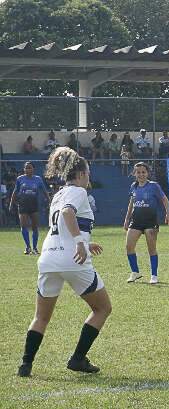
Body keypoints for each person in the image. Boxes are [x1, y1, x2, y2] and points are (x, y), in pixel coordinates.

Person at [17, 147, 112, 377]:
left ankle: (25, 365)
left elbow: (60, 226)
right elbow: (68, 215)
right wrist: (80, 243)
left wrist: (84, 242)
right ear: (80, 174)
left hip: (49, 257)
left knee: (41, 317)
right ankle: (78, 358)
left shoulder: (59, 193)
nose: (88, 178)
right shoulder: (78, 192)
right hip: (72, 259)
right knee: (103, 308)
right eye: (87, 173)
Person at [123, 162, 169, 284]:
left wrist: (168, 214)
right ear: (134, 174)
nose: (141, 174)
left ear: (147, 173)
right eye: (138, 172)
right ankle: (135, 272)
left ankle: (154, 275)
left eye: (143, 172)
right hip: (136, 221)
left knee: (151, 249)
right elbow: (131, 203)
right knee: (129, 247)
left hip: (150, 222)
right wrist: (126, 218)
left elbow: (164, 199)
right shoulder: (133, 186)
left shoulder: (153, 186)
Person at [8, 162, 51, 254]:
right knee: (24, 226)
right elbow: (15, 191)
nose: (28, 170)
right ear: (24, 169)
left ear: (33, 169)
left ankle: (35, 248)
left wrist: (50, 201)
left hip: (34, 205)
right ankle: (28, 247)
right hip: (23, 205)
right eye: (26, 168)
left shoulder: (38, 179)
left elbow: (44, 191)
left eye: (30, 168)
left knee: (35, 227)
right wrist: (11, 203)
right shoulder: (20, 179)